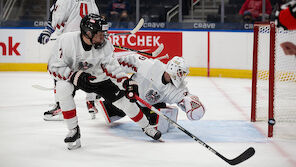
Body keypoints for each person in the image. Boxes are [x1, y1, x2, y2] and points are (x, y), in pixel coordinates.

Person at [47, 13, 161, 149]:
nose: (104, 37)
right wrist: (73, 76)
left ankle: (146, 127)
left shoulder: (105, 45)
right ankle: (73, 130)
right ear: (88, 33)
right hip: (74, 77)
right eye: (100, 33)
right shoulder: (66, 41)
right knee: (62, 88)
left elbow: (113, 68)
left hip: (100, 79)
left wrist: (126, 83)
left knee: (125, 102)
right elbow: (53, 66)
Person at [96, 55, 206, 134]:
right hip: (132, 97)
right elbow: (128, 61)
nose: (182, 76)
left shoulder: (178, 88)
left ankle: (169, 111)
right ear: (172, 70)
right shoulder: (151, 66)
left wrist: (191, 104)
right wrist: (109, 67)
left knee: (157, 126)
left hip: (152, 107)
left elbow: (185, 99)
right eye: (180, 72)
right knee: (108, 112)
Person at [37, 0, 101, 120]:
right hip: (87, 41)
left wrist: (48, 31)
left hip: (70, 41)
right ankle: (91, 102)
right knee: (90, 70)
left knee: (60, 72)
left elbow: (57, 20)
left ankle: (61, 107)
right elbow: (97, 20)